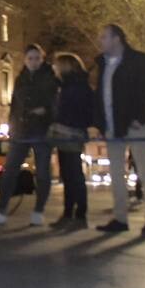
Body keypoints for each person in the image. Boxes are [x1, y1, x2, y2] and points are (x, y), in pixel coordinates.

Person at [93, 24, 145, 235]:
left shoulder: (139, 61)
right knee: (116, 173)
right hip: (113, 126)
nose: (100, 41)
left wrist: (141, 117)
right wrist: (100, 124)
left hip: (135, 125)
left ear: (117, 39)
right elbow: (100, 96)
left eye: (104, 37)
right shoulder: (102, 64)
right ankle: (120, 218)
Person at [0, 44, 57, 227]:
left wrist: (46, 111)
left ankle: (39, 211)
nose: (33, 61)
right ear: (25, 60)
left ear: (42, 59)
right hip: (21, 130)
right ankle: (1, 210)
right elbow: (14, 104)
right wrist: (13, 126)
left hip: (41, 130)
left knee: (43, 173)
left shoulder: (50, 78)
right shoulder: (20, 79)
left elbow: (55, 103)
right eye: (30, 58)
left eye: (37, 58)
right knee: (9, 170)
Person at [49, 52, 93, 229]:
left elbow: (78, 110)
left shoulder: (76, 87)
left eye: (58, 66)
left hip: (71, 133)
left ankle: (77, 213)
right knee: (69, 175)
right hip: (66, 132)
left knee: (73, 174)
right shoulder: (70, 85)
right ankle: (71, 213)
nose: (56, 69)